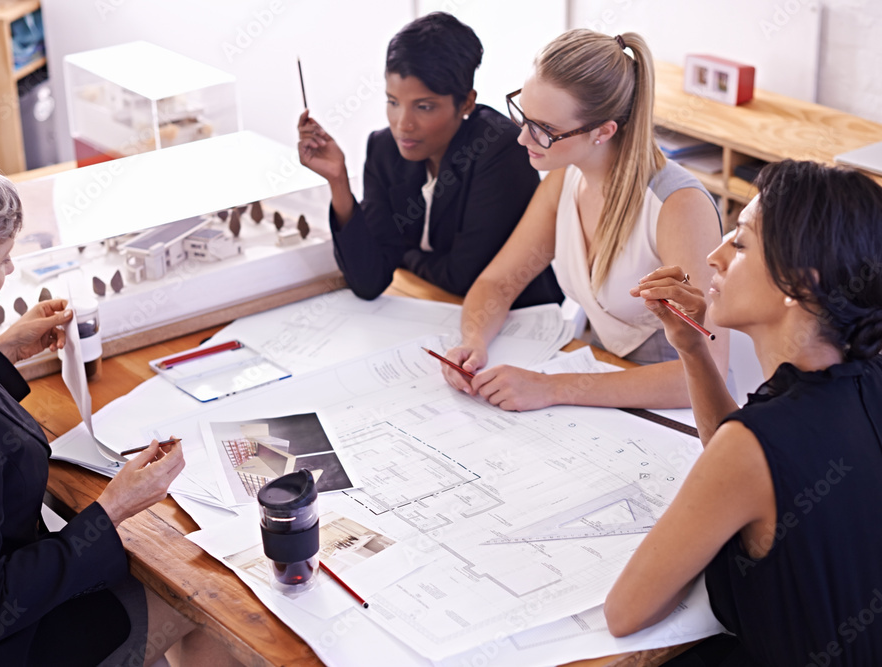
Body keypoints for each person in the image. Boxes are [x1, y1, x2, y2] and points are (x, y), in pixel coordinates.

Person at [0, 147, 231, 666]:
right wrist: (113, 508)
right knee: (208, 600)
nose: (10, 269)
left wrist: (1, 355)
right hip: (5, 645)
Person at [605, 160, 882, 665]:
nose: (714, 256)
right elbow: (747, 463)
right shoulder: (863, 377)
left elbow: (626, 612)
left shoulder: (756, 445)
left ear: (799, 284)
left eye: (740, 242)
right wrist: (692, 348)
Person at [441, 29, 729, 411]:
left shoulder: (679, 207)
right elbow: (498, 282)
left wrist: (553, 388)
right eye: (524, 116)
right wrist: (473, 341)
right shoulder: (566, 179)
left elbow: (708, 371)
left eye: (545, 129)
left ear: (603, 131)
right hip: (602, 373)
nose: (523, 139)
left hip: (672, 408)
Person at [297, 12, 563, 307]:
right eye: (393, 102)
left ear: (466, 102)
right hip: (431, 310)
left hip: (515, 321)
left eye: (423, 107)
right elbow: (368, 282)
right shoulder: (383, 148)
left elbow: (462, 277)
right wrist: (338, 182)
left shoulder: (498, 148)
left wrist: (401, 253)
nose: (403, 125)